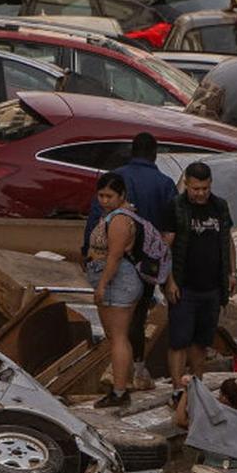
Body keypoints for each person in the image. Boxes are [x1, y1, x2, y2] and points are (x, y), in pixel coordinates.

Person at [82, 133, 177, 390]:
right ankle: (134, 370)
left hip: (114, 267)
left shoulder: (113, 183)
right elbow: (171, 229)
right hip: (145, 265)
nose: (104, 200)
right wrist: (166, 272)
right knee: (135, 317)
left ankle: (121, 382)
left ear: (131, 152)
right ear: (154, 154)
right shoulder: (165, 184)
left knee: (118, 332)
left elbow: (95, 224)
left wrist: (88, 257)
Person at [163, 161, 236, 396]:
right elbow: (166, 247)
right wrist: (169, 280)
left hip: (212, 288)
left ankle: (197, 387)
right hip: (184, 287)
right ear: (187, 185)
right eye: (196, 189)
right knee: (179, 340)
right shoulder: (176, 207)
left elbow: (228, 241)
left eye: (205, 188)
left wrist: (232, 273)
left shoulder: (220, 207)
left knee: (201, 342)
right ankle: (177, 389)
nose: (201, 193)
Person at [85, 172, 143, 408]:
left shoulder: (119, 219)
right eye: (101, 195)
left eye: (109, 196)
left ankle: (119, 391)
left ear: (121, 196)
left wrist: (102, 285)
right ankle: (122, 384)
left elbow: (115, 256)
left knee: (118, 337)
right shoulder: (113, 215)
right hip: (115, 280)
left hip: (117, 282)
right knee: (117, 336)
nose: (104, 200)